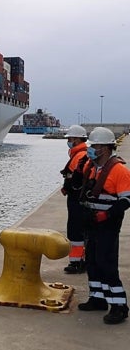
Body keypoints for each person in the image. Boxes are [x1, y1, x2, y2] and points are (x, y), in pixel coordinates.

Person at [78, 127, 130, 324]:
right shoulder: (93, 168)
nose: (91, 149)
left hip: (108, 224)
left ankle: (119, 306)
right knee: (92, 261)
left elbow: (126, 200)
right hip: (92, 223)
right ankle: (97, 298)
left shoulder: (119, 170)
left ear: (107, 148)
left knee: (106, 263)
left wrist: (106, 215)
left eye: (96, 146)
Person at [60, 125, 89, 274]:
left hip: (76, 199)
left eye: (70, 139)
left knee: (75, 230)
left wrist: (68, 187)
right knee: (80, 230)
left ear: (77, 139)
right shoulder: (81, 154)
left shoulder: (79, 155)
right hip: (78, 197)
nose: (69, 141)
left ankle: (77, 262)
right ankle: (82, 260)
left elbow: (76, 179)